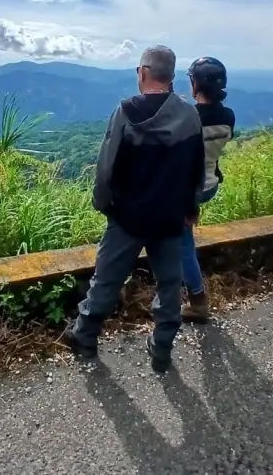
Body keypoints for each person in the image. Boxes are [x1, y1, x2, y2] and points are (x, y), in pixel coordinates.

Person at [65, 46, 205, 373]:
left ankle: (85, 336)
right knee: (170, 285)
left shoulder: (125, 113)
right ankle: (161, 349)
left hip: (127, 217)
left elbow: (106, 169)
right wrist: (191, 207)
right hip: (170, 217)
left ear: (142, 73)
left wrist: (104, 204)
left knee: (107, 280)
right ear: (171, 76)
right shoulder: (189, 115)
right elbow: (196, 168)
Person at [180, 57, 235, 323]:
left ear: (196, 84)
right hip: (211, 184)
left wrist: (189, 206)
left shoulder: (189, 118)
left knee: (183, 243)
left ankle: (198, 301)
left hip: (191, 190)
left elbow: (187, 164)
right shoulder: (228, 116)